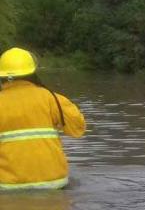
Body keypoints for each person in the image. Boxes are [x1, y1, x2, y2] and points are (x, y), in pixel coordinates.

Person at [0, 47, 86, 190]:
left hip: (7, 186)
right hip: (55, 183)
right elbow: (78, 129)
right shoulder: (53, 99)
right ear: (32, 72)